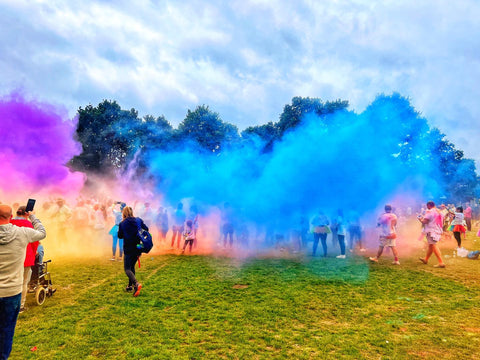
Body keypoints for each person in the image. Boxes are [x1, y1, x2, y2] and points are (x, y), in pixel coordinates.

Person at [0, 204, 46, 359]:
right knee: (7, 330)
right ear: (10, 216)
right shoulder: (22, 233)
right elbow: (42, 233)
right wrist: (32, 216)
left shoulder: (20, 231)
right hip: (12, 292)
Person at [10, 206, 39, 313]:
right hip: (25, 257)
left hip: (10, 257)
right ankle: (20, 306)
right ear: (27, 214)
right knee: (23, 282)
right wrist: (35, 251)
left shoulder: (9, 222)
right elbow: (34, 242)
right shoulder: (29, 224)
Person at [118, 206, 146, 297]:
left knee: (127, 269)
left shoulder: (122, 223)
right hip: (138, 247)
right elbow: (146, 229)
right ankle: (130, 286)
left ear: (124, 213)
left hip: (128, 248)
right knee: (132, 267)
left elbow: (120, 236)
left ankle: (136, 284)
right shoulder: (138, 220)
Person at [418, 201, 446, 268]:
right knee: (431, 245)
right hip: (437, 230)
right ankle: (426, 259)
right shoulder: (439, 211)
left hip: (431, 231)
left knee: (433, 245)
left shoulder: (430, 211)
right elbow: (443, 220)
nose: (427, 207)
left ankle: (441, 262)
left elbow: (425, 221)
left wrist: (420, 219)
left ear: (429, 205)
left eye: (427, 206)